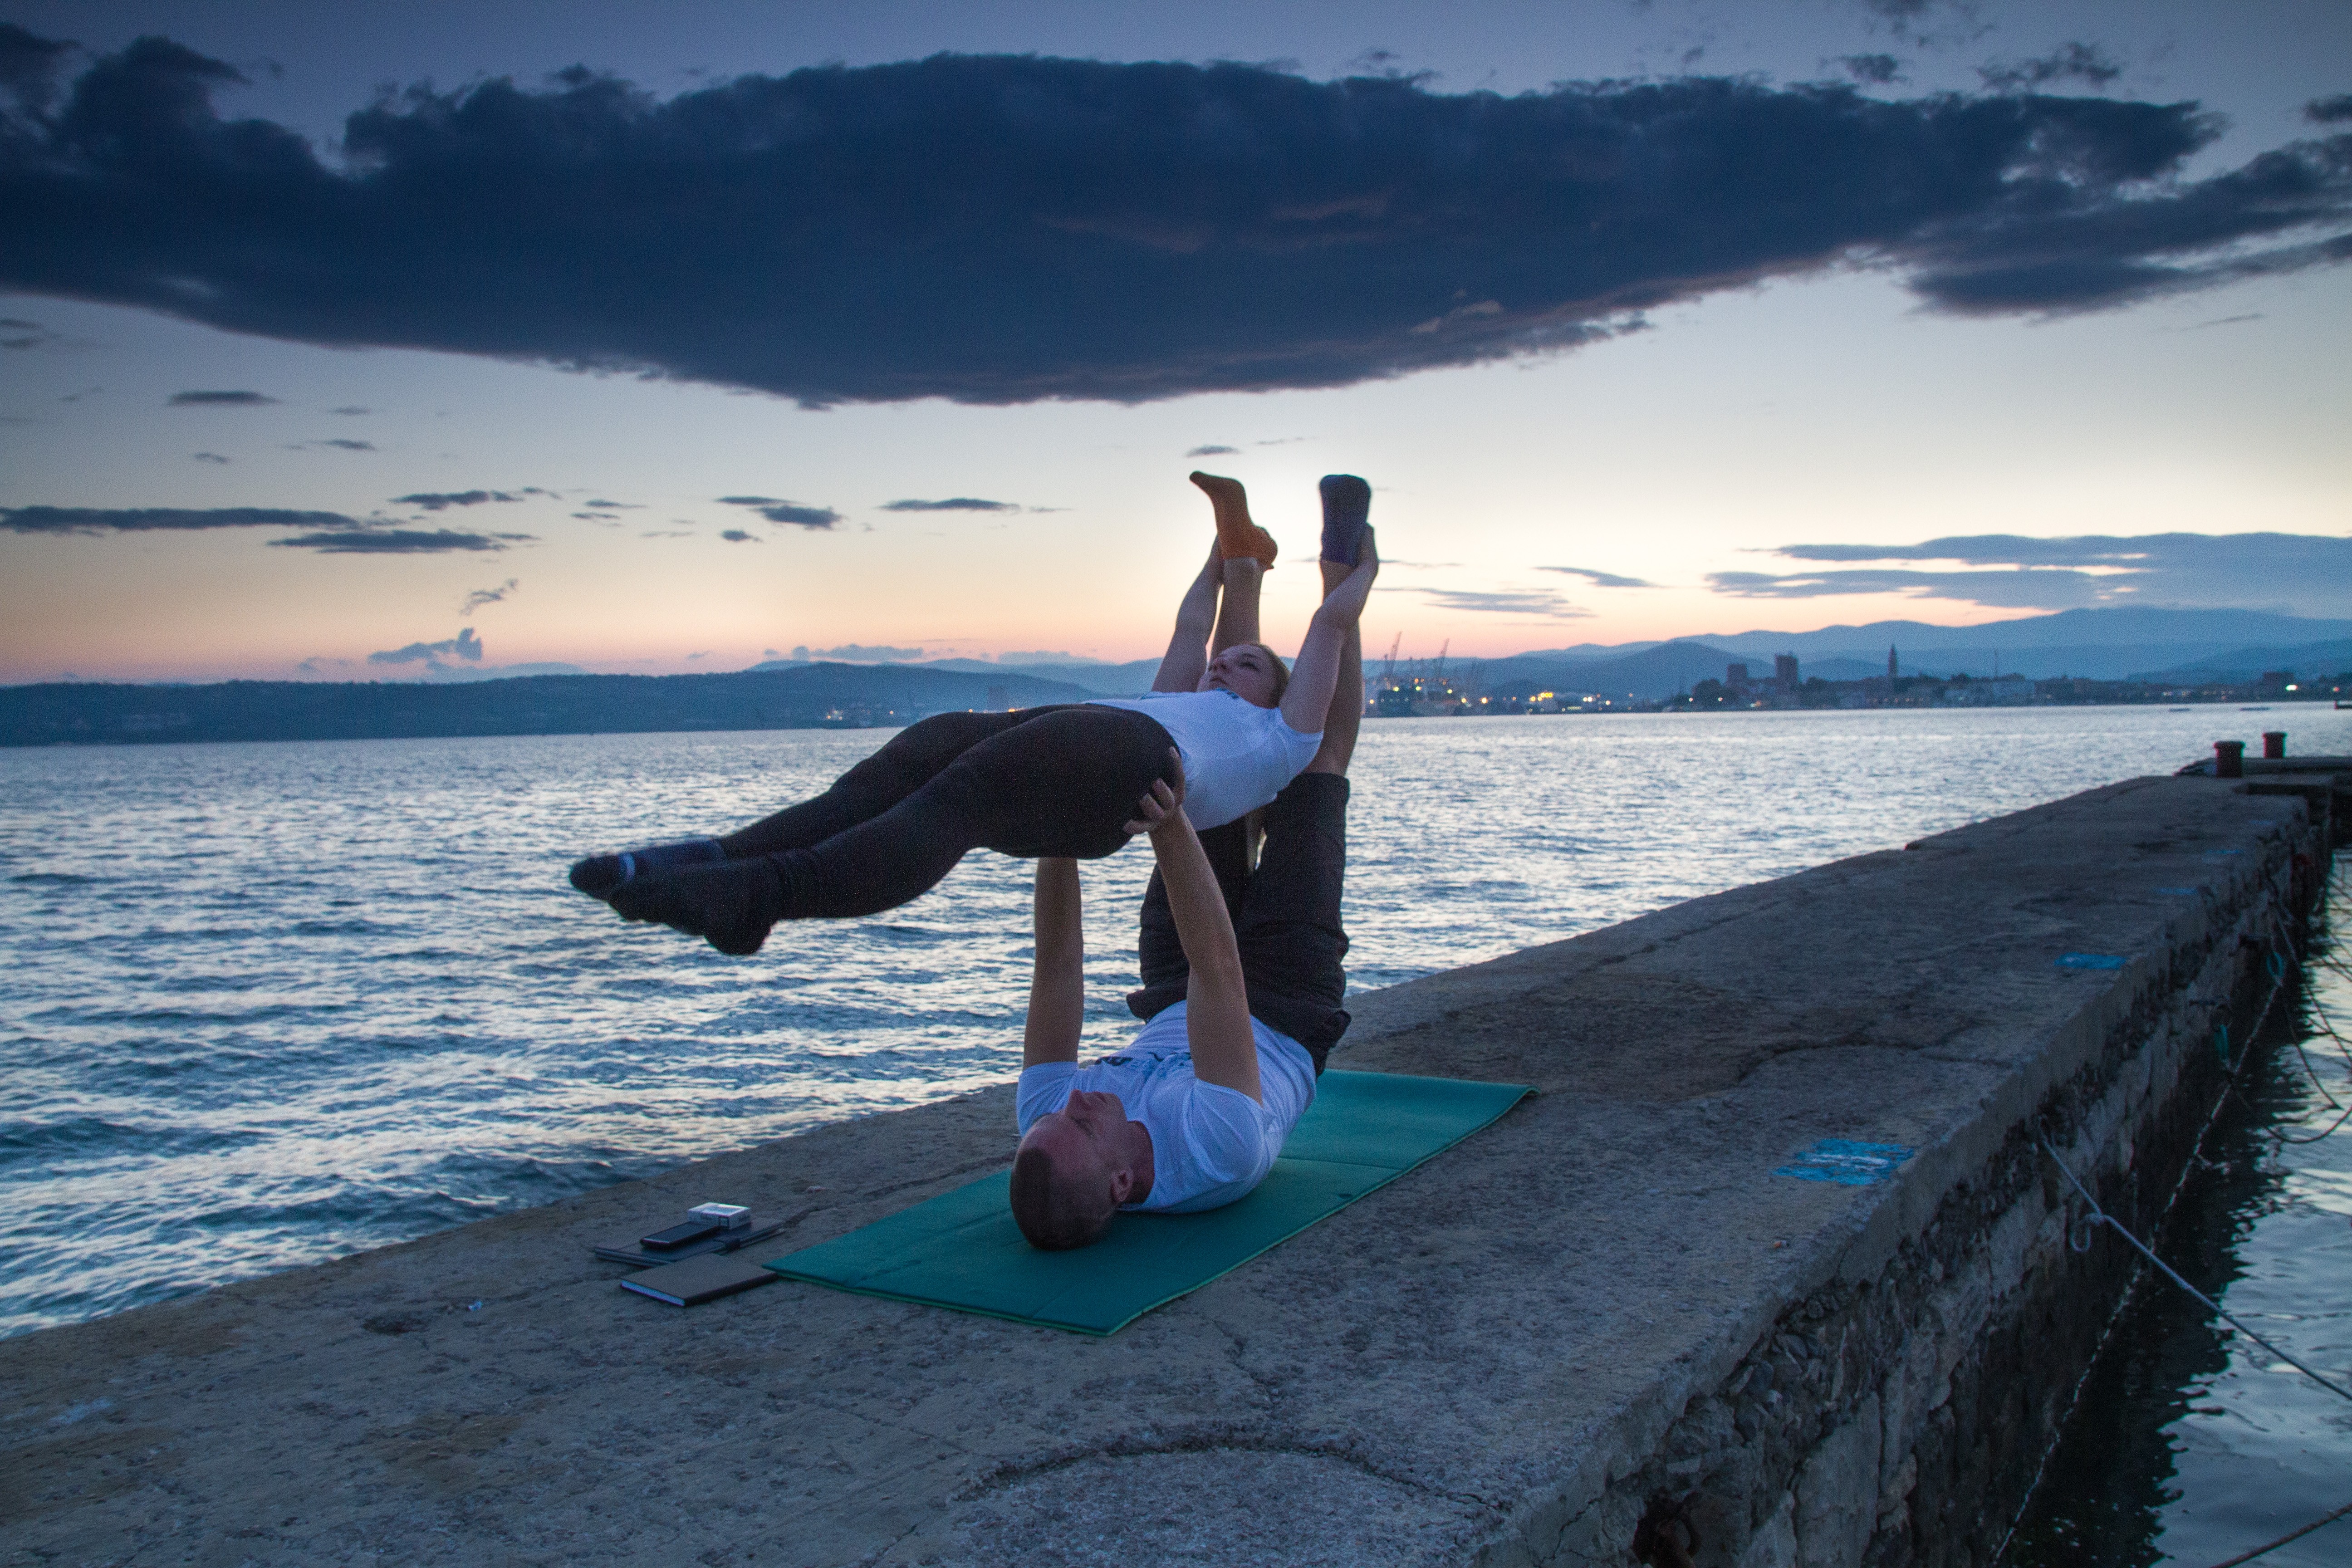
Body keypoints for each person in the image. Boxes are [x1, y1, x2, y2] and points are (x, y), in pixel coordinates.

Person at [570, 473, 1377, 957]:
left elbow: (1329, 628)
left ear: (1279, 692)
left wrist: (1362, 570)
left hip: (1129, 764)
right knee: (915, 758)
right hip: (1081, 741)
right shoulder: (1179, 697)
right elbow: (1190, 627)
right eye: (1225, 660)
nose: (1223, 663)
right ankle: (714, 861)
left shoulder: (1284, 737)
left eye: (1246, 664)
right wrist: (1223, 554)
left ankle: (765, 893)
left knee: (954, 800)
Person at [1009, 475, 1371, 1248]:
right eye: (1084, 1124)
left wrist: (1054, 832)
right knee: (1317, 778)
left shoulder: (1046, 1119)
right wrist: (1169, 824)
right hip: (1281, 1002)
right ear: (1123, 1183)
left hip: (1177, 985)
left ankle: (1243, 569)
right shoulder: (1216, 1151)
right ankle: (1341, 576)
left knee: (1213, 764)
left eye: (1060, 1114)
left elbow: (1058, 967)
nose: (1074, 1101)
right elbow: (1222, 974)